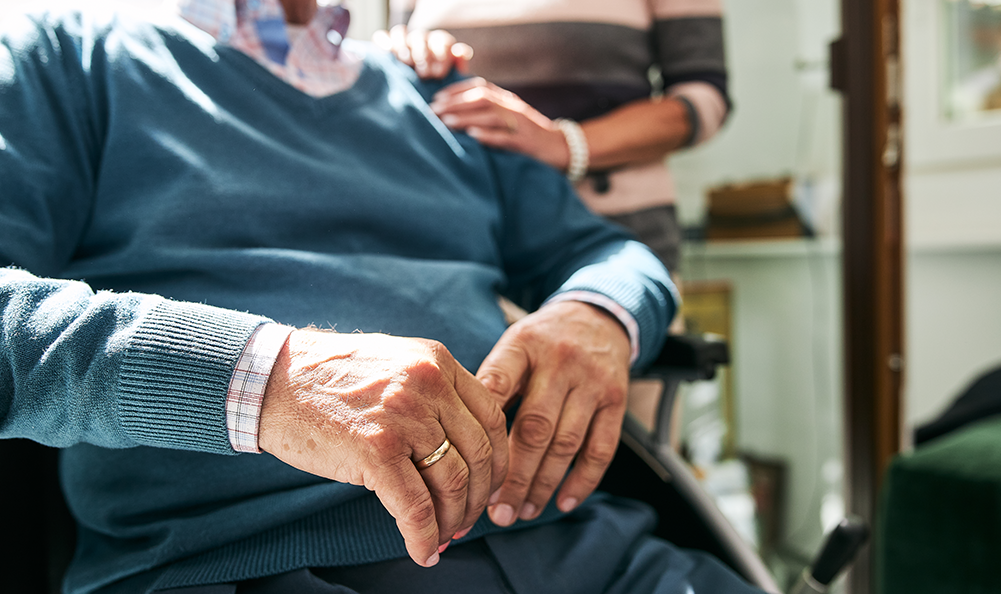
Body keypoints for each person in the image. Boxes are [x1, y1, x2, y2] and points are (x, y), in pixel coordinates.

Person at [0, 1, 759, 593]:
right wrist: (269, 379)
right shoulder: (62, 55)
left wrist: (597, 313)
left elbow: (605, 251)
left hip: (579, 549)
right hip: (239, 563)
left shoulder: (439, 92)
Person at [385, 0, 731, 279]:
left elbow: (705, 98)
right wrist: (413, 54)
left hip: (608, 247)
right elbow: (399, 71)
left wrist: (564, 143)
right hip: (456, 246)